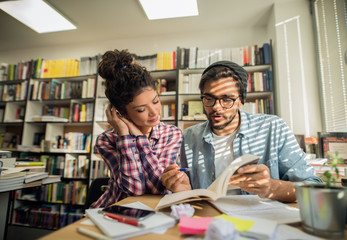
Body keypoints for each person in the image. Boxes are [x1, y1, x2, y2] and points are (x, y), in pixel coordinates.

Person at [161, 60, 322, 202]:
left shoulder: (273, 128)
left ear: (241, 101)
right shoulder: (190, 137)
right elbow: (189, 193)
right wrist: (182, 191)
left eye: (226, 99)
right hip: (209, 222)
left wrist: (272, 187)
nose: (216, 107)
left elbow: (313, 186)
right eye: (209, 98)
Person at [92, 49, 183, 208]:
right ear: (122, 113)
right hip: (113, 211)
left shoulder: (172, 134)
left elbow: (159, 188)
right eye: (141, 110)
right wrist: (125, 137)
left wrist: (139, 137)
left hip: (156, 212)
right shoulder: (105, 140)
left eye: (155, 101)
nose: (154, 112)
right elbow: (134, 188)